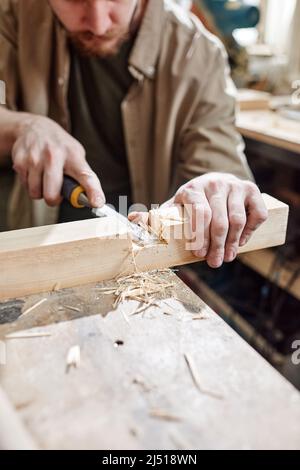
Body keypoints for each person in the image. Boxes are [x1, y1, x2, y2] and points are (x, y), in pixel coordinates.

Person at [0, 0, 267, 268]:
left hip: (138, 259)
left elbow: (218, 167)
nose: (98, 23)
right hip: (34, 244)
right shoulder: (13, 14)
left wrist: (216, 184)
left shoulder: (198, 55)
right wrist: (22, 126)